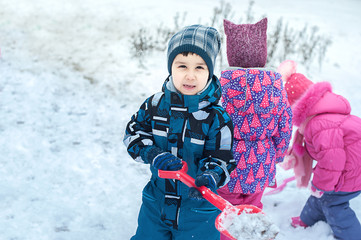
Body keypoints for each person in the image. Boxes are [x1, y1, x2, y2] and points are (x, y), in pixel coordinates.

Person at [123, 24, 236, 240]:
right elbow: (133, 133)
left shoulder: (217, 118)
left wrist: (211, 175)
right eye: (182, 66)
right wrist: (153, 153)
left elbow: (222, 157)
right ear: (171, 67)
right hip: (156, 203)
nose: (190, 76)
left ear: (210, 71)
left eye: (199, 68)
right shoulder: (154, 105)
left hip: (199, 208)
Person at [217, 18, 293, 240]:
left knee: (226, 212)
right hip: (261, 163)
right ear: (263, 52)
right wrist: (276, 156)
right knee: (253, 209)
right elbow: (285, 125)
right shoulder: (276, 85)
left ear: (231, 53)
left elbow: (212, 123)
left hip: (226, 164)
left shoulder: (221, 84)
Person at [278, 60, 361, 240]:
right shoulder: (327, 116)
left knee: (333, 204)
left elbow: (332, 161)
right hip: (350, 170)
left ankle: (351, 235)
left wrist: (321, 184)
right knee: (320, 195)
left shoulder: (319, 125)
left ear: (297, 108)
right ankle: (307, 219)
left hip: (350, 175)